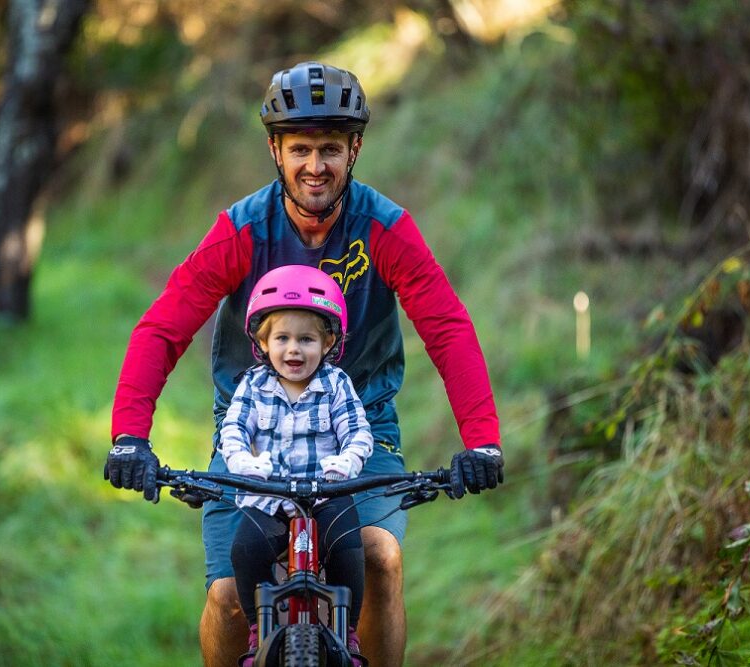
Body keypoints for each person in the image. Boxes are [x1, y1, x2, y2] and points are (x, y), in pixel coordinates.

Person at [104, 60, 504, 667]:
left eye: (330, 149)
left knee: (381, 561)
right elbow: (162, 328)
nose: (315, 166)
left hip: (359, 426)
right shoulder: (242, 230)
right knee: (226, 597)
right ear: (275, 150)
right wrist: (130, 436)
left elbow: (446, 328)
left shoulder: (384, 229)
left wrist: (482, 442)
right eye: (300, 149)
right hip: (252, 429)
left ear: (355, 150)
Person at [223, 265, 372, 666]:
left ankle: (348, 630)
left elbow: (359, 431)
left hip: (326, 493)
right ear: (262, 342)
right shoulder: (253, 385)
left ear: (327, 343)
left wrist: (347, 461)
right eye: (282, 338)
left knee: (348, 547)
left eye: (306, 339)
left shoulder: (337, 384)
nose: (294, 350)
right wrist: (242, 460)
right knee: (245, 549)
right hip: (269, 493)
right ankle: (259, 628)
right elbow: (233, 427)